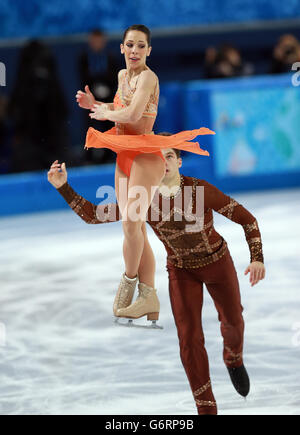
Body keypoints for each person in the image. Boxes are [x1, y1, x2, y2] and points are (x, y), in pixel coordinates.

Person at [47, 142, 265, 415]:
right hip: (181, 270)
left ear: (179, 162)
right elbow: (94, 215)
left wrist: (257, 257)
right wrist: (63, 187)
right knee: (188, 338)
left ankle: (233, 358)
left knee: (233, 321)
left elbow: (248, 220)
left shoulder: (200, 190)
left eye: (170, 156)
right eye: (155, 159)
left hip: (218, 264)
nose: (163, 163)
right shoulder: (142, 199)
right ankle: (206, 408)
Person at [75, 24, 214, 325]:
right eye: (130, 45)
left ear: (149, 50)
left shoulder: (149, 77)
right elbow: (118, 106)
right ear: (122, 48)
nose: (135, 50)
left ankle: (128, 281)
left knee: (130, 223)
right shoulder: (122, 76)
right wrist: (96, 105)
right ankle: (149, 296)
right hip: (124, 154)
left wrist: (106, 114)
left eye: (141, 46)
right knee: (135, 229)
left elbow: (134, 114)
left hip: (146, 156)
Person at [78, 29, 118, 164]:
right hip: (90, 98)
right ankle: (90, 156)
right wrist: (93, 91)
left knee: (108, 124)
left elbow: (114, 77)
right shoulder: (84, 57)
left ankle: (109, 154)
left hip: (108, 98)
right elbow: (83, 77)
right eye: (94, 40)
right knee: (90, 125)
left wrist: (107, 90)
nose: (96, 43)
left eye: (99, 40)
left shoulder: (111, 57)